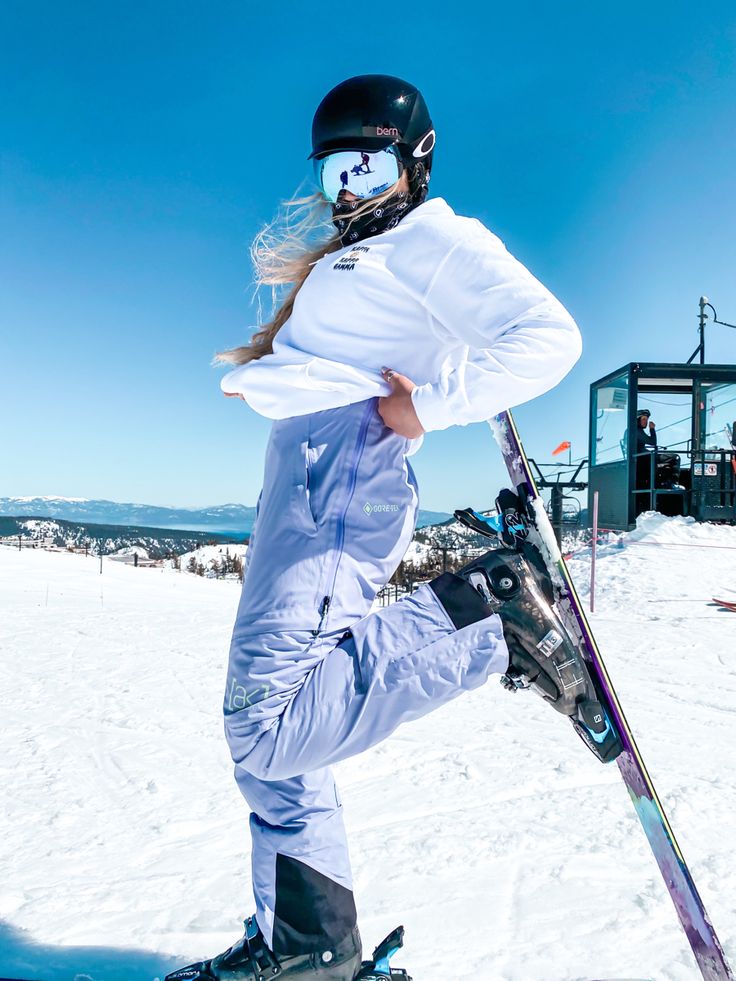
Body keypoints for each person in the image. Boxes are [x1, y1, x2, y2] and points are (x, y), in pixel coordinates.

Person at [166, 74, 583, 981]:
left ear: (416, 158)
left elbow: (549, 336)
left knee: (266, 722)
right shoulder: (367, 251)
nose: (349, 188)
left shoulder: (434, 238)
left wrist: (431, 405)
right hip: (306, 481)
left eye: (368, 163)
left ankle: (487, 615)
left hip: (340, 482)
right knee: (280, 756)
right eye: (333, 173)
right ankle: (308, 947)